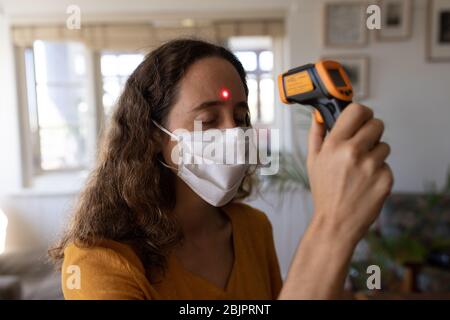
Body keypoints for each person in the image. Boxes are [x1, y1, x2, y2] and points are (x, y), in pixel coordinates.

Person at [49, 39, 393, 300]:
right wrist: (333, 224)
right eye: (208, 120)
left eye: (241, 117)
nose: (234, 134)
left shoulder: (252, 228)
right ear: (154, 135)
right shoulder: (99, 261)